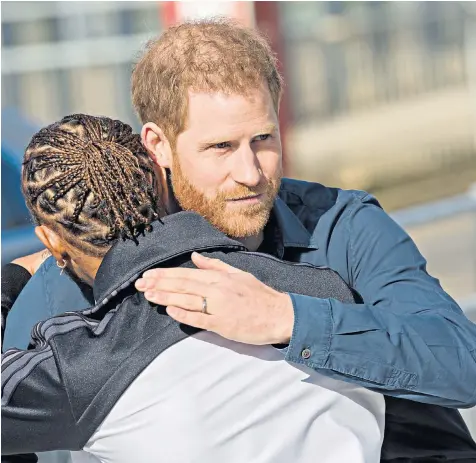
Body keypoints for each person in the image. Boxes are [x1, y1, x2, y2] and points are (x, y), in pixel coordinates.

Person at [4, 18, 476, 462]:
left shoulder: (342, 225)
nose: (251, 173)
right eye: (221, 147)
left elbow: (463, 365)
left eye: (264, 139)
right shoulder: (67, 279)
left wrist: (289, 319)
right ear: (158, 145)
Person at [2, 113, 386, 463]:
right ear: (159, 181)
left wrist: (13, 278)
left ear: (51, 242)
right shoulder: (323, 287)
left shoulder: (81, 367)